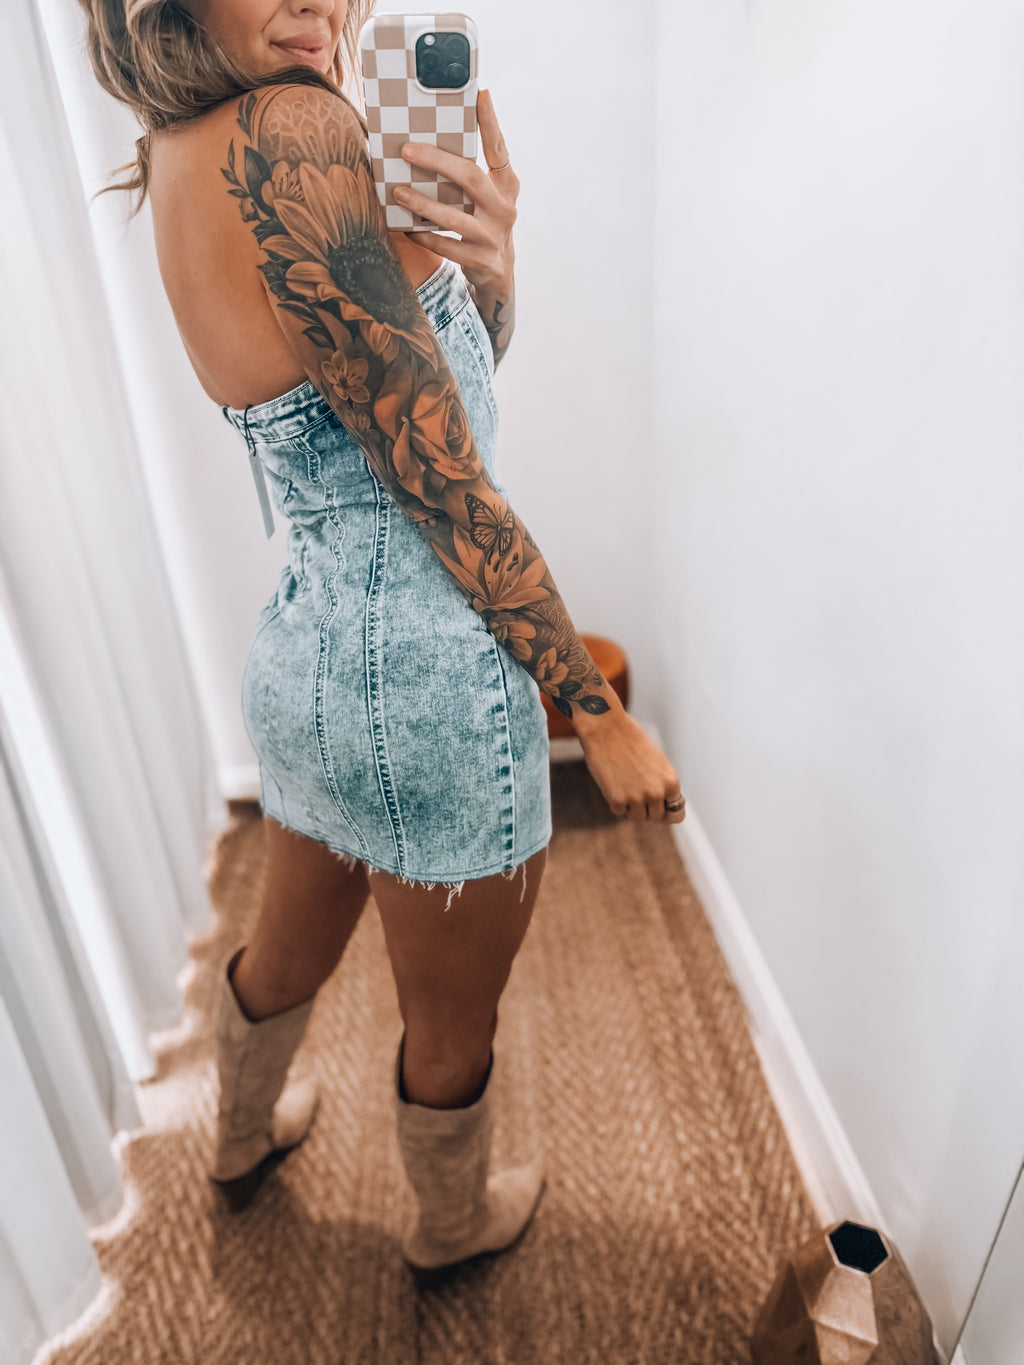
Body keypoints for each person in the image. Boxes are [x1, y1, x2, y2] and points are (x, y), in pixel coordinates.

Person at [78, 0, 686, 1270]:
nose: (322, 3)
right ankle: (451, 1226)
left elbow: (434, 402)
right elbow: (445, 484)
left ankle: (238, 1135)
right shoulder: (295, 132)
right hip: (432, 687)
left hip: (308, 659)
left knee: (282, 950)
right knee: (451, 1021)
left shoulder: (179, 149)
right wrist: (595, 709)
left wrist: (488, 264)